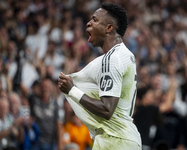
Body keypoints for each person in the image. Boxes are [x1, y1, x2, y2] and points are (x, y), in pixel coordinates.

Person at [58, 3, 141, 150]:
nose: (88, 23)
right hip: (123, 138)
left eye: (95, 20)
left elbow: (106, 109)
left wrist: (72, 91)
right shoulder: (126, 55)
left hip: (115, 140)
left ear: (109, 28)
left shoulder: (112, 59)